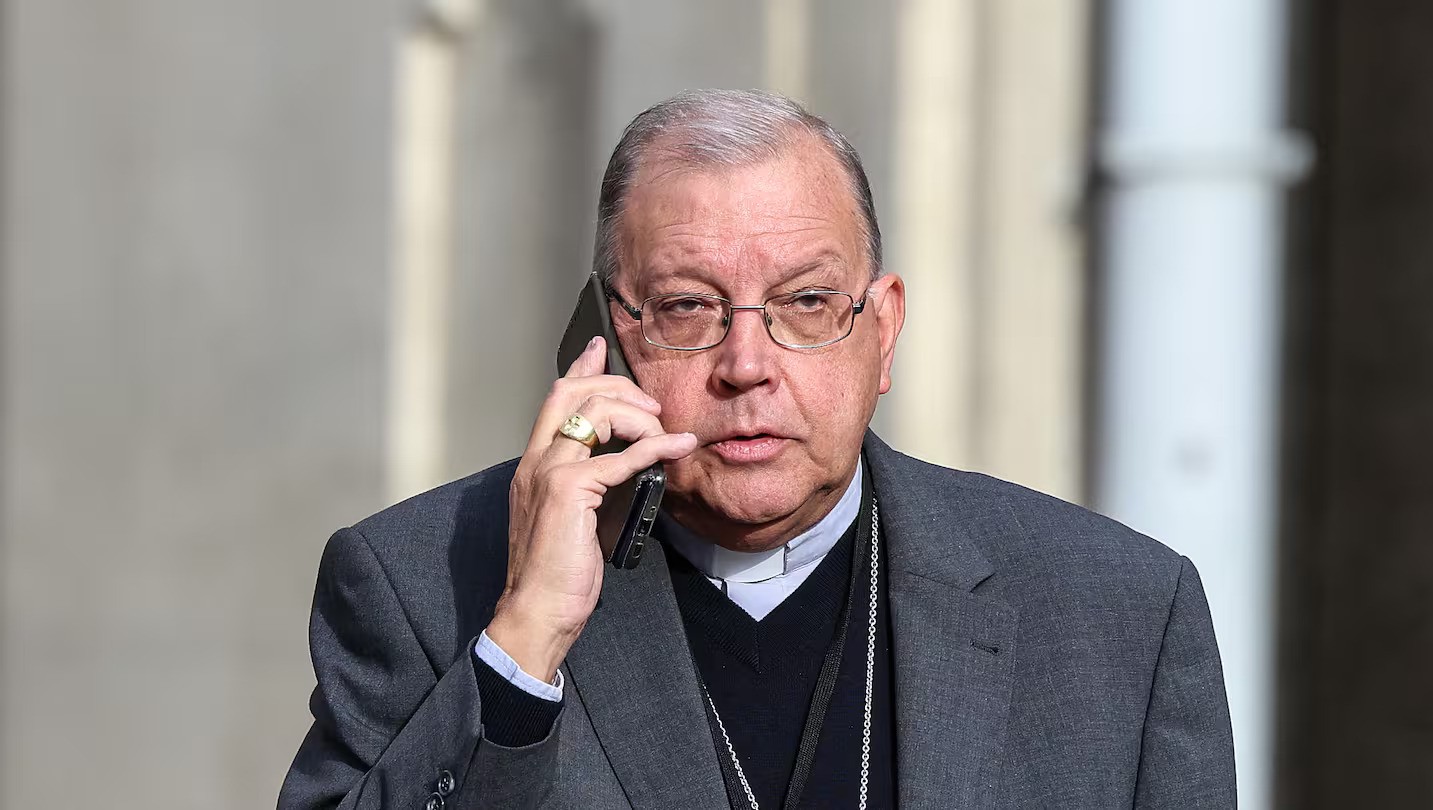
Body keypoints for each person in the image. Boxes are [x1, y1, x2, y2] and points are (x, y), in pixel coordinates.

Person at [279, 89, 1235, 809]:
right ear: (606, 334)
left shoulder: (1119, 618)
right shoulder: (414, 583)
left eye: (806, 303)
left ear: (882, 329)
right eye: (688, 307)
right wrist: (525, 641)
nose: (747, 364)